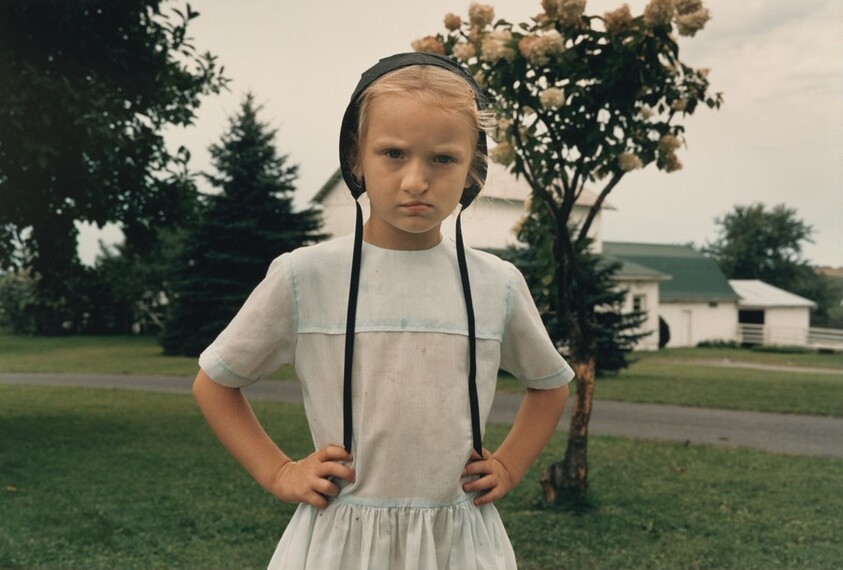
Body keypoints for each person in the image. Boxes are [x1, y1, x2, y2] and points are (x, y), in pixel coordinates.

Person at [192, 52, 574, 570]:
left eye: (442, 158)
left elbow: (550, 384)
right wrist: (280, 472)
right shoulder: (306, 276)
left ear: (472, 169)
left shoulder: (497, 285)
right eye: (393, 153)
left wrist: (507, 465)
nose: (416, 179)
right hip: (341, 543)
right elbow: (216, 381)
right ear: (356, 159)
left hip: (458, 543)